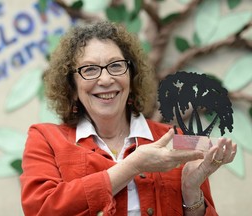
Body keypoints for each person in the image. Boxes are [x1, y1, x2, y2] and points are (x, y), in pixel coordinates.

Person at [20, 21, 237, 216]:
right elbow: (40, 209)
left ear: (131, 78)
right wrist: (133, 166)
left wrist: (191, 192)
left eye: (116, 65)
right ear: (72, 87)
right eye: (90, 69)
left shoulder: (178, 138)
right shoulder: (45, 138)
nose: (105, 79)